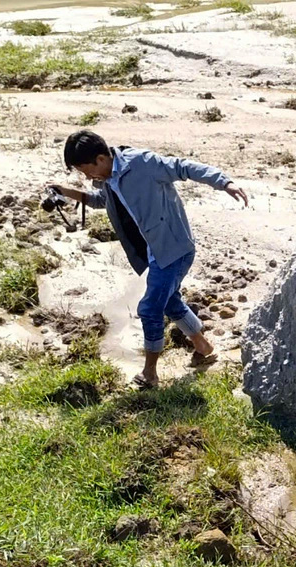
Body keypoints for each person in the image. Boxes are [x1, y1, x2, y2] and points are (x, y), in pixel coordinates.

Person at [48, 129, 249, 389]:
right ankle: (204, 346)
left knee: (150, 308)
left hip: (173, 249)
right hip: (152, 251)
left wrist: (224, 182)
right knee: (168, 302)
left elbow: (183, 167)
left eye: (86, 170)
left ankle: (150, 373)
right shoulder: (109, 178)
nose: (87, 177)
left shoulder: (141, 163)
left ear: (100, 158)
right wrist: (66, 191)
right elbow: (102, 201)